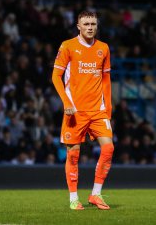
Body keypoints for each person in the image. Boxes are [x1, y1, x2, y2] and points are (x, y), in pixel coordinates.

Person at [52, 11, 114, 210]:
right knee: (73, 155)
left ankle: (95, 194)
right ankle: (73, 198)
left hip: (98, 110)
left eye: (93, 24)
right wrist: (66, 103)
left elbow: (106, 80)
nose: (90, 27)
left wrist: (109, 108)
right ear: (78, 25)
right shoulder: (67, 46)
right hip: (75, 111)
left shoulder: (103, 48)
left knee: (109, 148)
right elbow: (56, 77)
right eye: (86, 23)